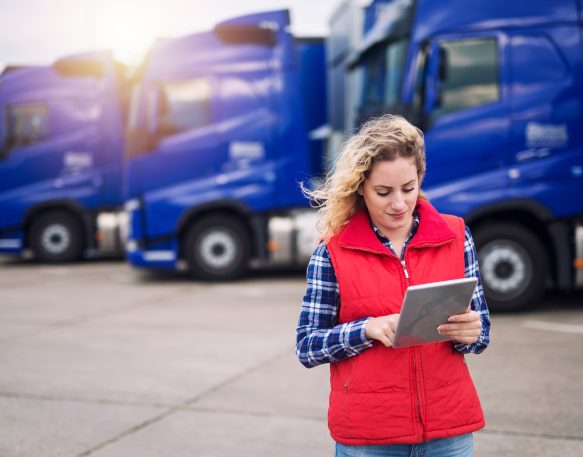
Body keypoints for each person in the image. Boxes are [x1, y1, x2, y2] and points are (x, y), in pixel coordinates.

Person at [296, 115, 490, 457]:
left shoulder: (457, 235)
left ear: (420, 179)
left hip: (448, 431)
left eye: (408, 188)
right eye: (383, 192)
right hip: (370, 438)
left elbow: (481, 332)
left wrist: (472, 333)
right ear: (360, 186)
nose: (398, 204)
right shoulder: (333, 251)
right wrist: (366, 329)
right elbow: (308, 346)